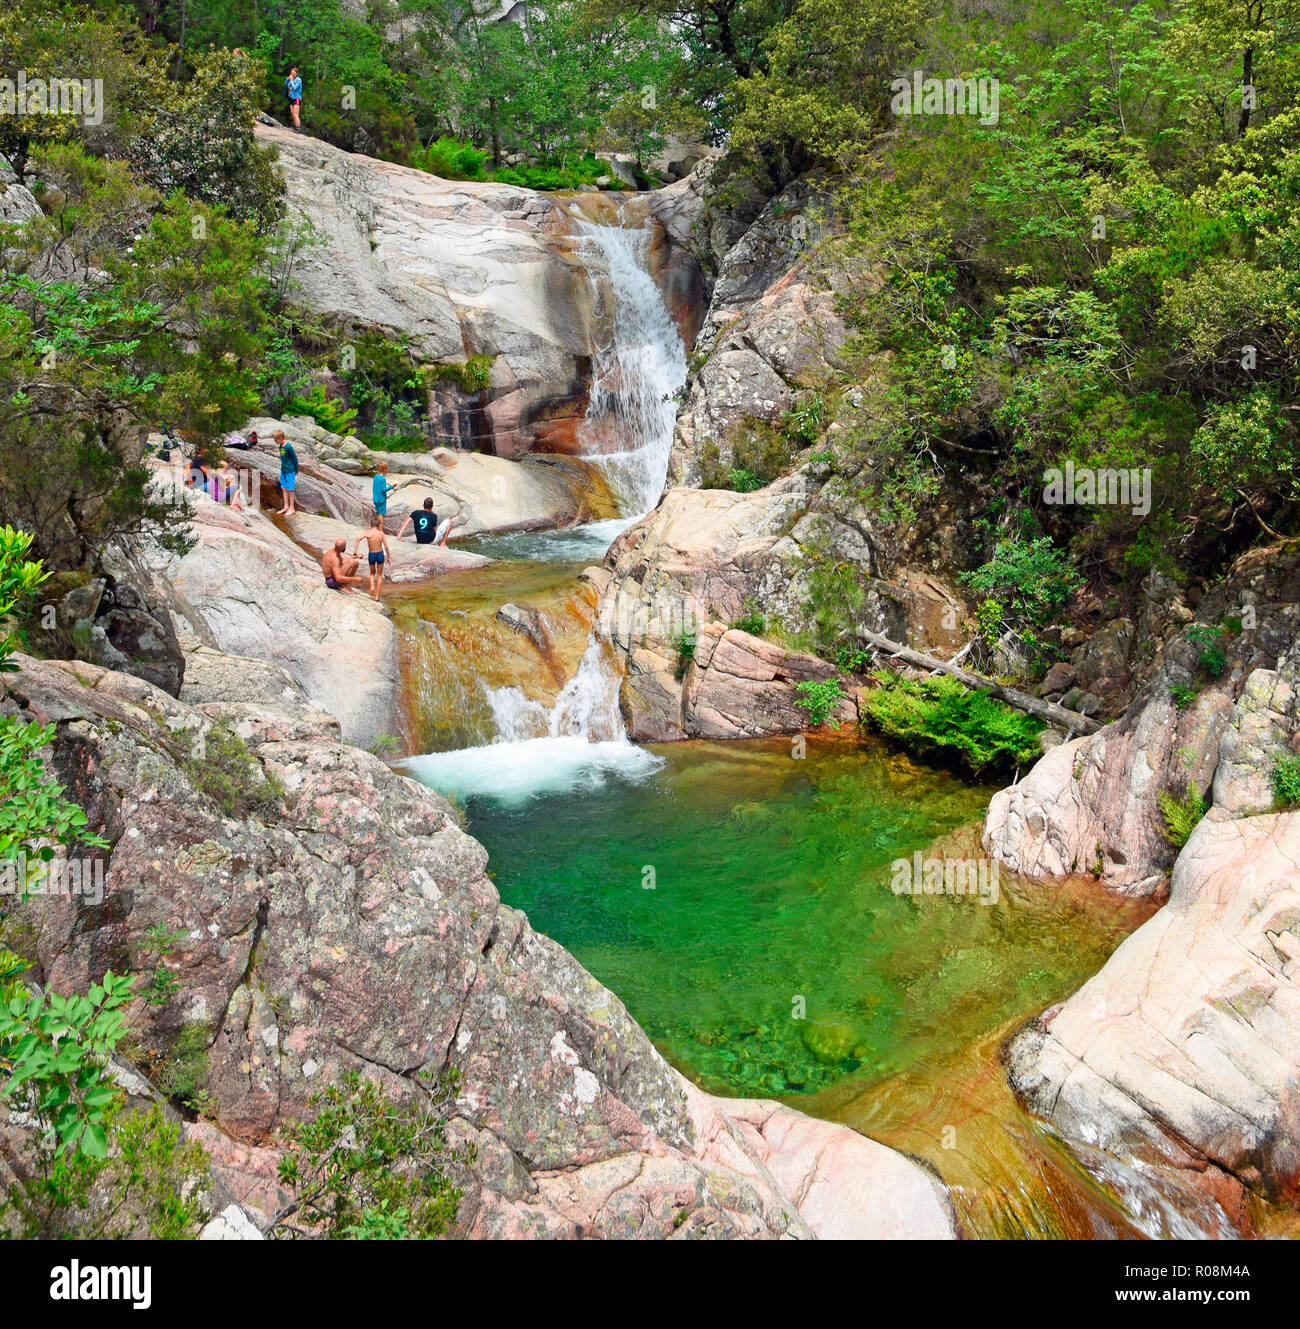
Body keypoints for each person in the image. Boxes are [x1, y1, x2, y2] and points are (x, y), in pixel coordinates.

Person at [354, 513, 392, 600]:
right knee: (379, 575)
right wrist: (389, 556)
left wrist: (355, 552)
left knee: (372, 573)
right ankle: (377, 596)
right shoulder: (381, 533)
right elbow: (386, 546)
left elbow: (357, 539)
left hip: (372, 554)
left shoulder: (368, 533)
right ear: (378, 525)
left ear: (370, 524)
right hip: (379, 554)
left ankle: (371, 586)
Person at [275, 430, 298, 516]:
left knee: (290, 489)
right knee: (283, 488)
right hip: (283, 470)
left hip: (290, 470)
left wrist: (296, 470)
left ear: (280, 438)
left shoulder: (289, 447)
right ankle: (286, 506)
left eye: (276, 440)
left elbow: (294, 459)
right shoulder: (280, 446)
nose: (275, 442)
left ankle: (292, 508)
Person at [285, 67, 303, 131]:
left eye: (294, 73)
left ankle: (298, 128)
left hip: (296, 98)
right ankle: (296, 127)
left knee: (296, 114)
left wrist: (292, 80)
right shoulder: (291, 79)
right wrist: (287, 80)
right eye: (291, 73)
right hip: (291, 98)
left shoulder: (298, 80)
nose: (292, 74)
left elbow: (295, 88)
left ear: (297, 73)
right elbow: (286, 85)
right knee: (293, 114)